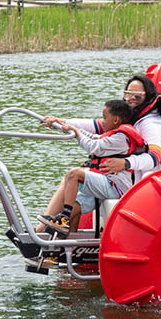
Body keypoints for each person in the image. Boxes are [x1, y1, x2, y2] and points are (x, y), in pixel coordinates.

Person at [38, 74, 161, 233]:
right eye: (128, 94)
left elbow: (154, 158)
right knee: (70, 182)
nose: (131, 99)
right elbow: (95, 126)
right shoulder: (129, 118)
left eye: (138, 95)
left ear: (148, 96)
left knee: (73, 175)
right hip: (114, 174)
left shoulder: (152, 123)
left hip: (134, 181)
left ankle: (40, 233)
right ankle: (57, 239)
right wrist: (62, 123)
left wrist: (126, 163)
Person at [37, 99, 143, 239]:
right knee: (75, 207)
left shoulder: (121, 138)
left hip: (115, 186)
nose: (102, 121)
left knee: (73, 175)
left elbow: (95, 147)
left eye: (105, 118)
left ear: (116, 120)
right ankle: (65, 247)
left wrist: (77, 134)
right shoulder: (112, 136)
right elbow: (93, 137)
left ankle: (64, 219)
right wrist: (72, 129)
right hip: (106, 183)